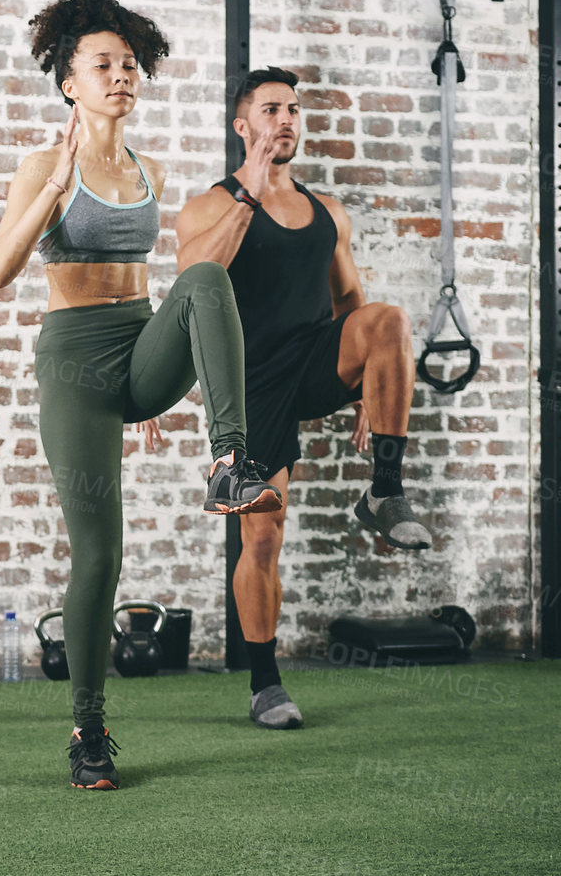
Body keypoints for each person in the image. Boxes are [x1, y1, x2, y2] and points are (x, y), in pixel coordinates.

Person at [0, 0, 280, 791]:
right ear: (69, 83)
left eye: (129, 65)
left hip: (136, 342)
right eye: (103, 65)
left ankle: (228, 462)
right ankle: (88, 729)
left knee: (204, 281)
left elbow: (162, 290)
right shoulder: (44, 164)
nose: (122, 76)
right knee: (100, 557)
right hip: (74, 361)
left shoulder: (146, 168)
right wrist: (54, 186)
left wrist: (155, 370)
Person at [175, 65, 435, 731]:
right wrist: (250, 189)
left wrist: (367, 391)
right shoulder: (208, 206)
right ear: (243, 125)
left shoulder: (327, 213)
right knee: (261, 537)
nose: (286, 119)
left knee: (390, 320)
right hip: (251, 382)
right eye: (270, 110)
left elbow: (352, 302)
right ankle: (264, 683)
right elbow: (191, 287)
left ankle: (385, 487)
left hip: (315, 357)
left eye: (293, 109)